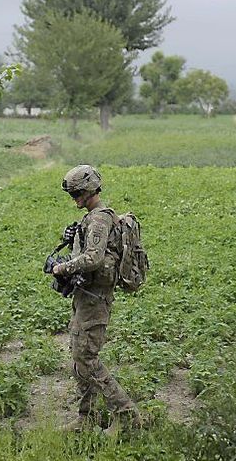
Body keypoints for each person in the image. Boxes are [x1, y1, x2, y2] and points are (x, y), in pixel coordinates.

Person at [51, 165, 143, 432]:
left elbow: (94, 258)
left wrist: (62, 267)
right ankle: (86, 418)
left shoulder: (99, 219)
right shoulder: (91, 218)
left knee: (87, 358)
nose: (75, 198)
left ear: (90, 189)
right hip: (86, 296)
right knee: (79, 356)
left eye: (78, 192)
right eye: (72, 194)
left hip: (95, 298)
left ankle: (126, 415)